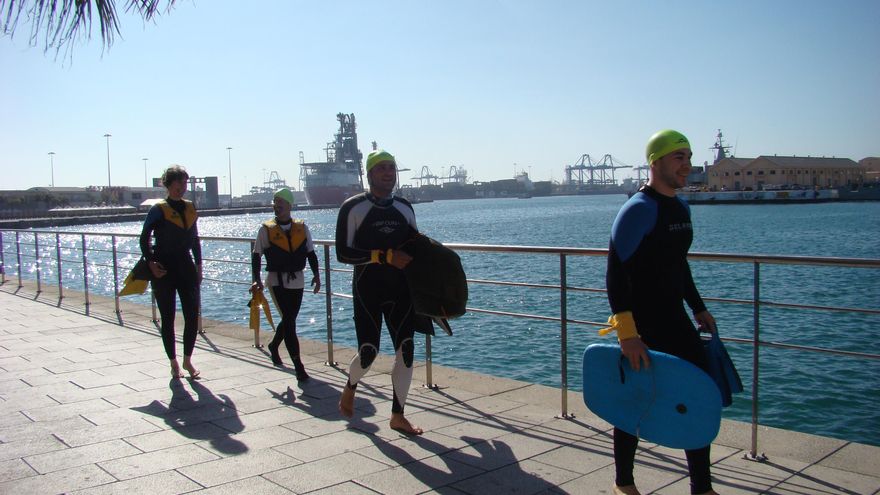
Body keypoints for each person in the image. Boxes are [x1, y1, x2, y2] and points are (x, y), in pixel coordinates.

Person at [602, 130, 719, 495]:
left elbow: (677, 265)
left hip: (678, 322)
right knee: (633, 402)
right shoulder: (639, 209)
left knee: (696, 399)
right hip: (644, 326)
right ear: (656, 163)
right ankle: (625, 483)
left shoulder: (681, 208)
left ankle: (702, 487)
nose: (687, 165)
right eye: (678, 157)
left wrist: (698, 307)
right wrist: (627, 334)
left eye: (688, 156)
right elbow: (615, 272)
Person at [335, 148, 424, 435]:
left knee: (407, 349)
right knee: (368, 352)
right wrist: (383, 256)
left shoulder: (404, 208)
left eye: (392, 167)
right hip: (368, 289)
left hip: (400, 289)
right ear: (370, 173)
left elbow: (415, 248)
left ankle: (398, 415)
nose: (388, 172)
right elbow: (343, 253)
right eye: (382, 168)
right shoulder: (353, 208)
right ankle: (350, 386)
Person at [250, 187, 320, 381]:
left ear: (290, 205)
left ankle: (274, 345)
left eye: (280, 201)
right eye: (275, 201)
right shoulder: (266, 230)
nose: (276, 204)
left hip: (297, 279)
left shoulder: (302, 228)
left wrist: (317, 275)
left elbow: (311, 253)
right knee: (289, 322)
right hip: (275, 280)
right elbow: (256, 255)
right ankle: (299, 366)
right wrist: (256, 278)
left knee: (289, 319)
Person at [140, 165, 203, 379]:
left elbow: (194, 240)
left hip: (185, 266)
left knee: (192, 316)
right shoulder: (158, 209)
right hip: (163, 268)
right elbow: (144, 238)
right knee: (167, 317)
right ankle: (173, 362)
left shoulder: (190, 207)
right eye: (179, 184)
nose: (182, 188)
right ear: (168, 185)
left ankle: (187, 360)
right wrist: (150, 262)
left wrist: (199, 265)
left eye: (185, 184)